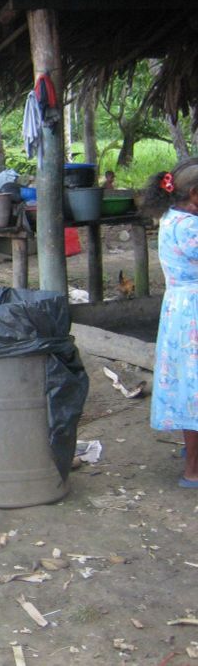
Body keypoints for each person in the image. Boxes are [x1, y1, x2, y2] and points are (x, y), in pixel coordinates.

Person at [139, 158, 198, 488]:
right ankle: (193, 469)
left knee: (188, 383)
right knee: (194, 387)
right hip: (193, 312)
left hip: (180, 309)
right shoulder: (189, 228)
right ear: (194, 194)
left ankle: (192, 455)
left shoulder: (171, 217)